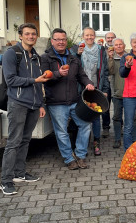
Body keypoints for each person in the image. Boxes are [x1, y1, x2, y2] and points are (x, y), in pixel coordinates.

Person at [0, 23, 48, 195]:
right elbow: (11, 80)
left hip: (34, 105)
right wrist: (34, 80)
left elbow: (40, 82)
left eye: (33, 34)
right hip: (18, 103)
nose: (31, 37)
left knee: (25, 140)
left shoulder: (36, 55)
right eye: (27, 34)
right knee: (13, 142)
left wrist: (41, 104)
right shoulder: (12, 54)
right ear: (20, 35)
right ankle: (5, 180)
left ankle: (19, 173)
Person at [41, 28, 95, 170]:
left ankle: (80, 155)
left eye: (63, 39)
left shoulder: (73, 59)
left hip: (74, 100)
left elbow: (81, 75)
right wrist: (57, 73)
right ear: (52, 41)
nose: (61, 42)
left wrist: (88, 83)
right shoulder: (46, 58)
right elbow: (43, 77)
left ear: (67, 41)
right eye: (58, 39)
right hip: (56, 102)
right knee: (62, 132)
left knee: (85, 125)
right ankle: (69, 159)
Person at [74, 27, 110, 156]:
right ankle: (83, 144)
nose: (89, 37)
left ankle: (96, 142)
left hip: (96, 87)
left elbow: (105, 71)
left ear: (94, 36)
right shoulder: (77, 48)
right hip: (81, 87)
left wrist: (105, 89)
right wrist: (78, 54)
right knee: (82, 115)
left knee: (95, 115)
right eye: (86, 35)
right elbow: (74, 66)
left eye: (91, 35)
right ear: (83, 36)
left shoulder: (101, 50)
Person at [107, 37, 131, 149]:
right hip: (117, 93)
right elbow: (110, 71)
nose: (118, 46)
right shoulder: (112, 58)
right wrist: (110, 58)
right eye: (116, 45)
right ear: (113, 47)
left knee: (131, 118)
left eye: (120, 44)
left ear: (124, 45)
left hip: (130, 93)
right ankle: (117, 139)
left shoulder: (130, 58)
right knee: (116, 117)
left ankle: (131, 139)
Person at [101, 31, 117, 137]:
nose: (110, 39)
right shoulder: (101, 50)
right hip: (105, 81)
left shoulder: (118, 49)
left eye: (112, 37)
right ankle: (106, 127)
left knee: (118, 106)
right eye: (108, 38)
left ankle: (118, 126)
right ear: (105, 39)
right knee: (105, 106)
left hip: (116, 82)